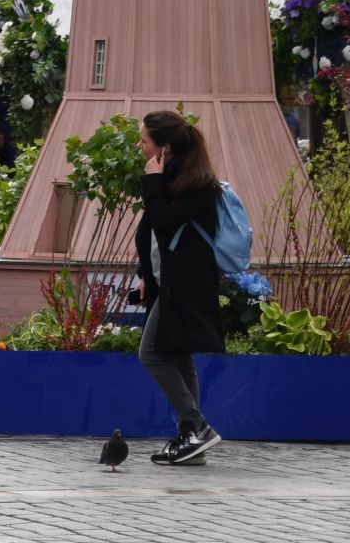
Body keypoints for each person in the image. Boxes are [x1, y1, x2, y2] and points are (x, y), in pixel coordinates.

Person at [132, 109, 228, 467]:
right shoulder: (175, 175)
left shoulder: (196, 183)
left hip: (186, 283)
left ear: (165, 147)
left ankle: (197, 427)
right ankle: (191, 440)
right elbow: (154, 234)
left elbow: (164, 222)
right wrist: (146, 272)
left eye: (144, 141)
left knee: (151, 353)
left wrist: (152, 183)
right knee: (178, 353)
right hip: (169, 278)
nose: (139, 146)